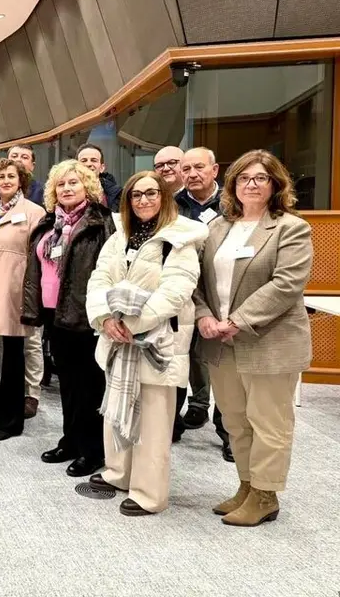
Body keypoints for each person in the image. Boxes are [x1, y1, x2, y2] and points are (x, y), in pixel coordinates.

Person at [192, 150, 312, 527]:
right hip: (221, 341)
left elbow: (286, 284)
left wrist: (238, 321)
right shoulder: (218, 228)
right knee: (236, 420)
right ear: (233, 185)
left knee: (269, 422)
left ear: (276, 183)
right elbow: (197, 281)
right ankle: (246, 485)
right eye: (244, 178)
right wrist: (203, 315)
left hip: (268, 341)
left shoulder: (290, 228)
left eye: (261, 178)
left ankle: (265, 495)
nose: (251, 184)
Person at [86, 171, 207, 516]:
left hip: (157, 342)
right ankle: (118, 473)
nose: (143, 200)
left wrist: (131, 325)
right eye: (136, 195)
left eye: (151, 193)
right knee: (117, 410)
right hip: (117, 339)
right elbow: (99, 278)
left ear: (164, 197)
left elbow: (176, 291)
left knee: (153, 423)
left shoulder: (179, 238)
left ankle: (148, 493)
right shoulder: (120, 236)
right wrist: (104, 319)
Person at [22, 160, 115, 474]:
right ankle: (71, 440)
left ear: (87, 185)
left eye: (73, 182)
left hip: (85, 315)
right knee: (68, 383)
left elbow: (110, 270)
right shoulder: (50, 222)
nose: (67, 188)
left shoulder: (100, 221)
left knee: (89, 384)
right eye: (61, 184)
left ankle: (93, 450)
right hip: (55, 314)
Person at [0, 158, 45, 440]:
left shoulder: (34, 212)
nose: (5, 181)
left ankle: (11, 421)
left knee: (13, 356)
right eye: (0, 176)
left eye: (11, 176)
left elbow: (37, 258)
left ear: (21, 180)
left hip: (13, 290)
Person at [176, 147, 230, 459]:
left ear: (214, 170)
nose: (192, 174)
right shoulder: (174, 204)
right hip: (185, 290)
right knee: (189, 352)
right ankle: (197, 404)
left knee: (222, 361)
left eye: (199, 167)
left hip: (221, 290)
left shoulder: (231, 204)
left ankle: (228, 428)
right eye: (186, 169)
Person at [6, 143, 48, 409]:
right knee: (4, 339)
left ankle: (32, 393)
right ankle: (7, 389)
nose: (19, 160)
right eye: (13, 156)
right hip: (2, 279)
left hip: (32, 277)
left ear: (32, 164)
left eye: (24, 157)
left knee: (31, 338)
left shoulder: (43, 195)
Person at [77, 143, 122, 208]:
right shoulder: (66, 191)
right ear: (75, 166)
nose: (88, 164)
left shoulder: (118, 195)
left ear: (102, 168)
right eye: (84, 160)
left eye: (94, 160)